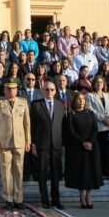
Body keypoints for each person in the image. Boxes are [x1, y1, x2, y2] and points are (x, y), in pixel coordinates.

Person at [0, 77, 31, 210]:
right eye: (8, 88)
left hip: (20, 142)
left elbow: (27, 124)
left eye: (13, 88)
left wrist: (28, 141)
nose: (11, 91)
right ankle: (8, 199)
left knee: (19, 171)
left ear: (17, 89)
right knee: (6, 172)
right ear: (4, 89)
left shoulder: (23, 102)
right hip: (4, 142)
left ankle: (18, 198)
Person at [30, 81, 66, 209]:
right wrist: (33, 143)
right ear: (42, 90)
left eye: (52, 89)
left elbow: (63, 126)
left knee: (56, 173)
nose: (49, 92)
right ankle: (45, 199)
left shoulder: (60, 104)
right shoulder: (36, 104)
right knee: (42, 172)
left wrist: (63, 144)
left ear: (55, 91)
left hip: (56, 143)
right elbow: (32, 125)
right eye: (47, 89)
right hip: (41, 143)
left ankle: (56, 199)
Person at [65, 91, 102, 209]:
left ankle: (89, 197)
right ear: (74, 101)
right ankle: (81, 197)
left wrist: (90, 142)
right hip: (77, 147)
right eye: (78, 99)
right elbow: (71, 131)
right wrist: (83, 142)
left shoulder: (90, 113)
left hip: (91, 147)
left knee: (90, 172)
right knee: (81, 172)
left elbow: (95, 129)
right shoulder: (71, 114)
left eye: (83, 99)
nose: (81, 101)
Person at [87, 76, 109, 180]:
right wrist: (102, 118)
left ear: (104, 84)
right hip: (98, 127)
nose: (99, 84)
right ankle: (99, 173)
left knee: (107, 152)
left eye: (101, 82)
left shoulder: (108, 96)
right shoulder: (90, 96)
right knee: (98, 152)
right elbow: (90, 109)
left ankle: (107, 173)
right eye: (97, 82)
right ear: (93, 84)